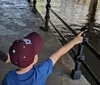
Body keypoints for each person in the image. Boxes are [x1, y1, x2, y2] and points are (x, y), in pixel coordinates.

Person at [0, 32, 83, 85]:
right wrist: (75, 41)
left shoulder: (9, 78)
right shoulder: (41, 71)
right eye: (35, 53)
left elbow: (15, 57)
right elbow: (58, 53)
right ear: (33, 60)